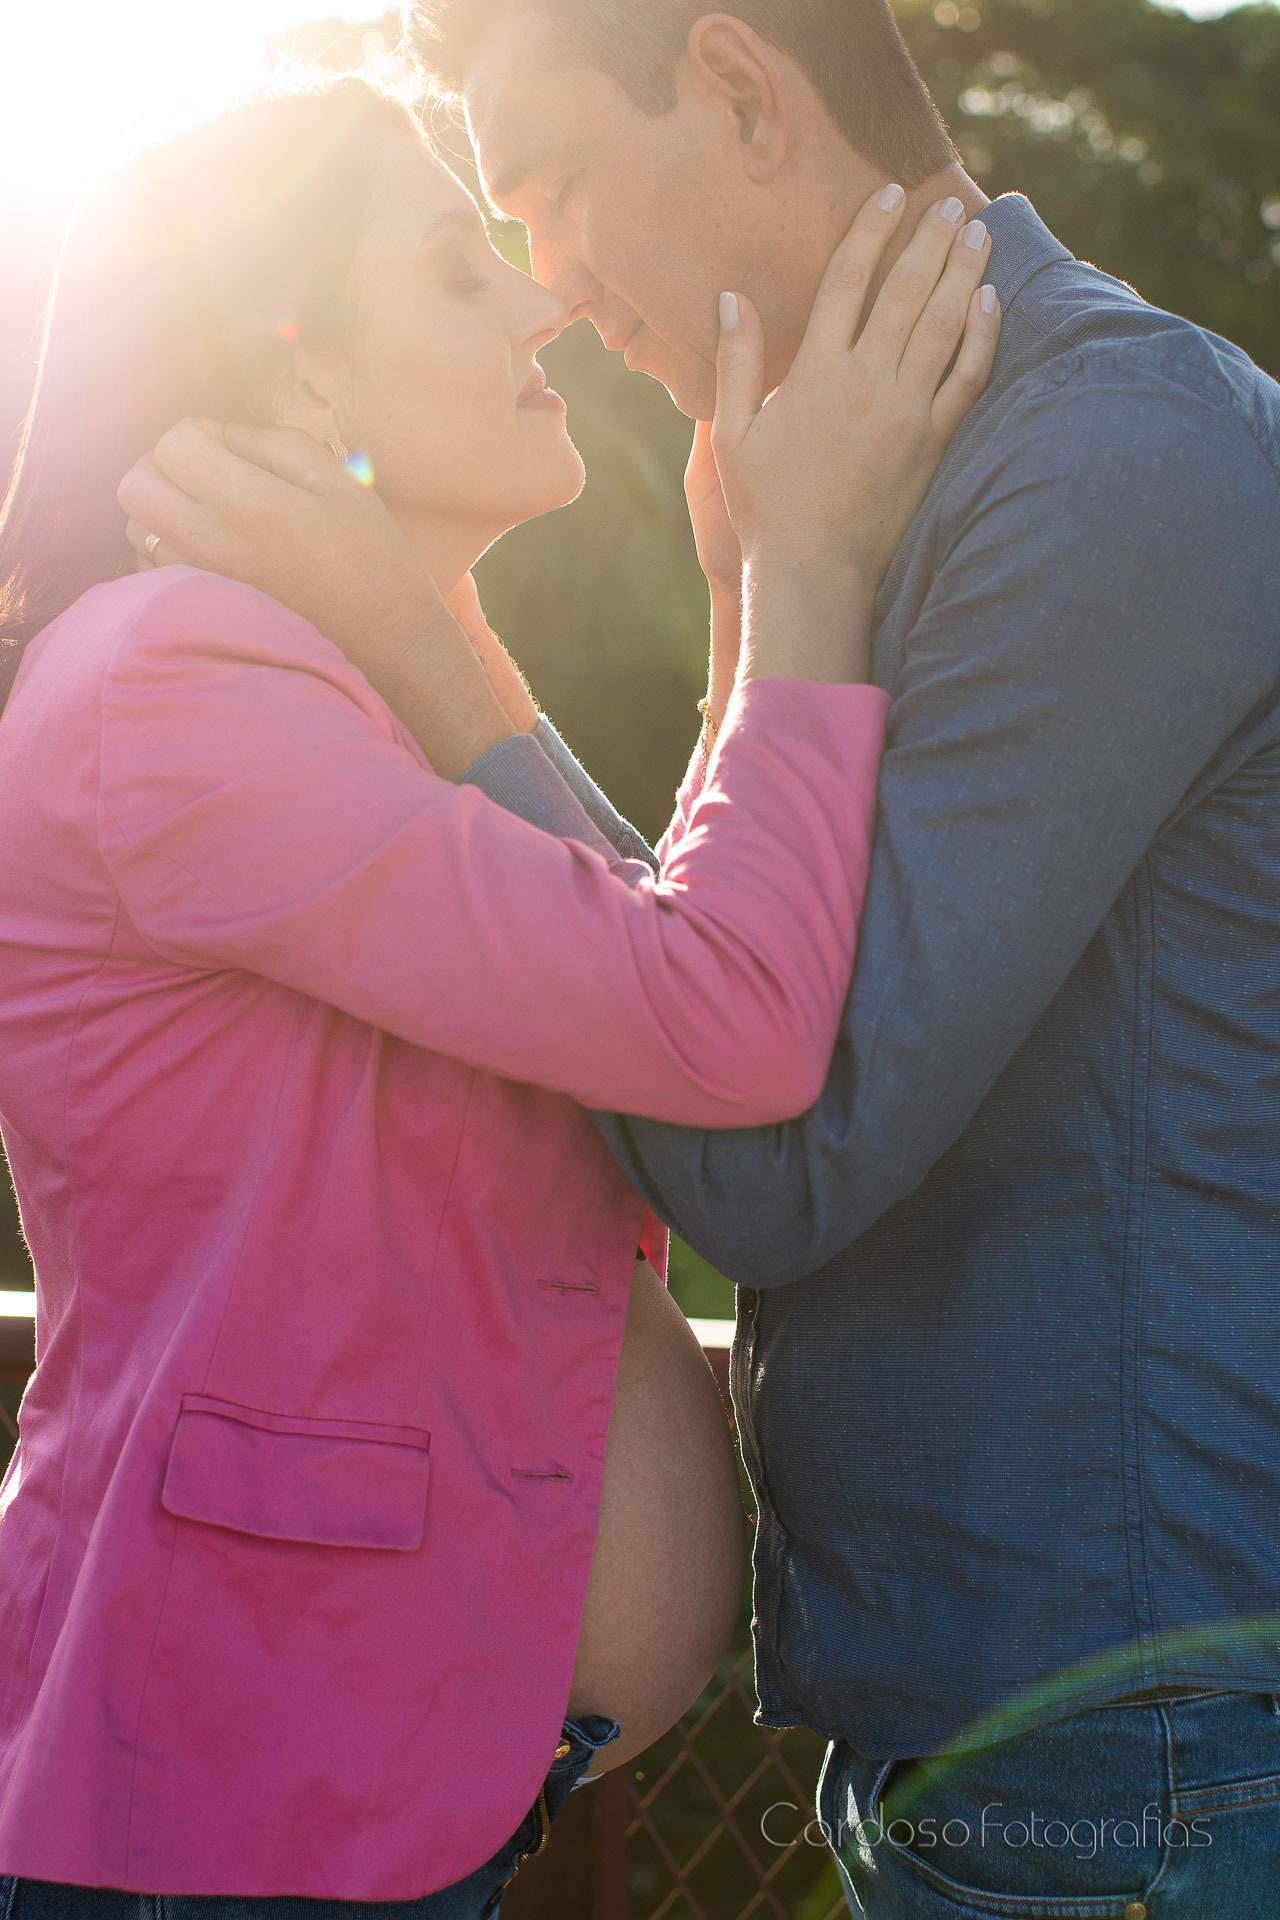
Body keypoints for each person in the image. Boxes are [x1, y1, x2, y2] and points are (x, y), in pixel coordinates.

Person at [123, 3, 1280, 1914]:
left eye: (555, 191)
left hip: (1139, 1765)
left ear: (742, 91)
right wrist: (764, 610)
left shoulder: (1105, 466)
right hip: (1024, 1748)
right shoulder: (859, 479)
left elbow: (760, 1142)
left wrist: (436, 655)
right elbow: (709, 969)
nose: (549, 288)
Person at [0, 70, 999, 1919]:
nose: (540, 301)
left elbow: (647, 967)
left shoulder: (305, 691)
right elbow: (731, 1022)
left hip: (336, 1781)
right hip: (236, 1787)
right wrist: (812, 568)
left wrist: (721, 610)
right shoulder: (178, 686)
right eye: (463, 271)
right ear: (301, 371)